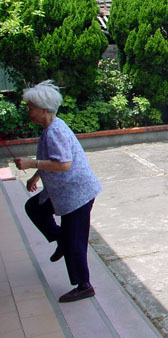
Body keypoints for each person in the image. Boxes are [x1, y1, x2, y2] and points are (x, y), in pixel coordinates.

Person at [14, 80, 102, 303]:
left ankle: (84, 286)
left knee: (75, 242)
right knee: (34, 207)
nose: (29, 112)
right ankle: (60, 238)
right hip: (63, 192)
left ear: (44, 109)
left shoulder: (55, 131)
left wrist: (32, 164)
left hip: (77, 194)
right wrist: (36, 176)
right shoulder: (49, 129)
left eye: (30, 108)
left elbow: (63, 164)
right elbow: (51, 159)